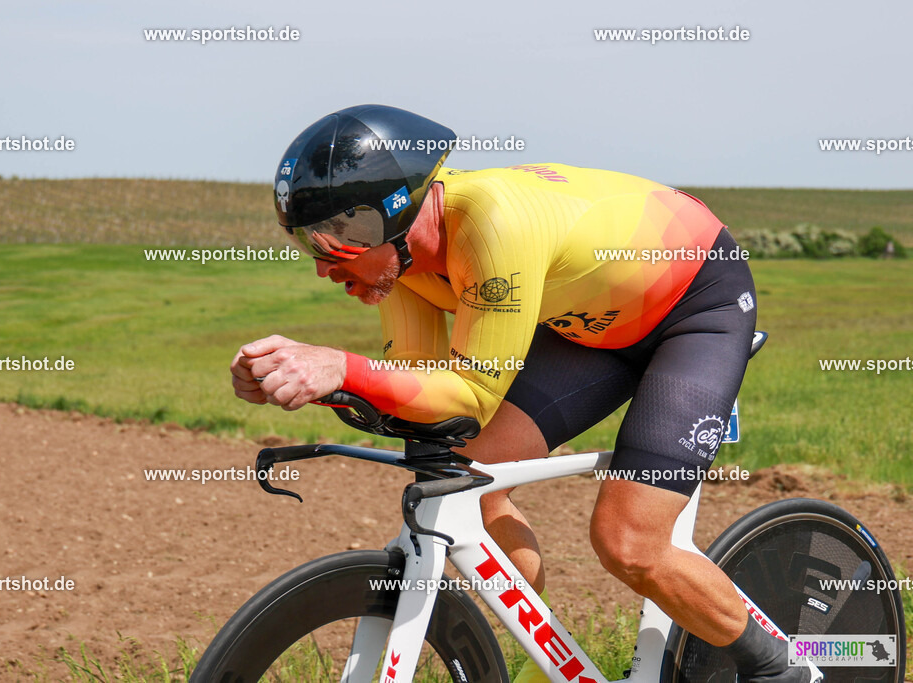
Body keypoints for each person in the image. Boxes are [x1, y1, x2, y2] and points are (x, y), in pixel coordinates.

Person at [231, 104, 817, 683]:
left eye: (335, 238)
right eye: (309, 242)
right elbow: (417, 394)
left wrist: (338, 365)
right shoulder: (403, 259)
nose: (323, 266)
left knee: (628, 543)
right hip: (590, 326)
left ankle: (781, 670)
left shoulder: (492, 225)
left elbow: (468, 396)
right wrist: (312, 384)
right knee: (469, 477)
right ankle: (551, 663)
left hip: (695, 304)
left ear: (391, 214)